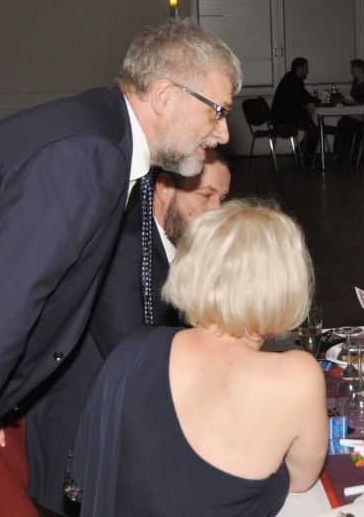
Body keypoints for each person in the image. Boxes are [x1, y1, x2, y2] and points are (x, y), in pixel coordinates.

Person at [0, 18, 241, 516]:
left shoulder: (101, 136)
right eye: (216, 111)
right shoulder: (86, 156)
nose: (223, 132)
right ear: (165, 95)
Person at [67, 199, 328, 516]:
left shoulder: (134, 350)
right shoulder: (296, 376)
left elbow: (89, 473)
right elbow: (301, 480)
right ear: (286, 284)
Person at [25, 148, 232, 516]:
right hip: (81, 446)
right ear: (164, 188)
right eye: (205, 195)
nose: (216, 210)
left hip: (130, 428)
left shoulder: (178, 244)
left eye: (222, 198)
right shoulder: (124, 245)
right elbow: (135, 354)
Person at [271, 57, 320, 159]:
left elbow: (303, 97)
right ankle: (304, 154)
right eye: (306, 67)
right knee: (314, 129)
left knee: (312, 127)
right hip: (284, 118)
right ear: (299, 68)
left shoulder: (290, 78)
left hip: (280, 117)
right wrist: (319, 101)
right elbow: (305, 97)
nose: (307, 71)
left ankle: (301, 152)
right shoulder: (295, 81)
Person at [335, 59, 364, 160]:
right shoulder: (355, 82)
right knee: (343, 122)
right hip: (359, 111)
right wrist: (348, 102)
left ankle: (349, 153)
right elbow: (357, 100)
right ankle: (342, 152)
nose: (351, 71)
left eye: (353, 68)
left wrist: (361, 107)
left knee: (346, 122)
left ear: (361, 69)